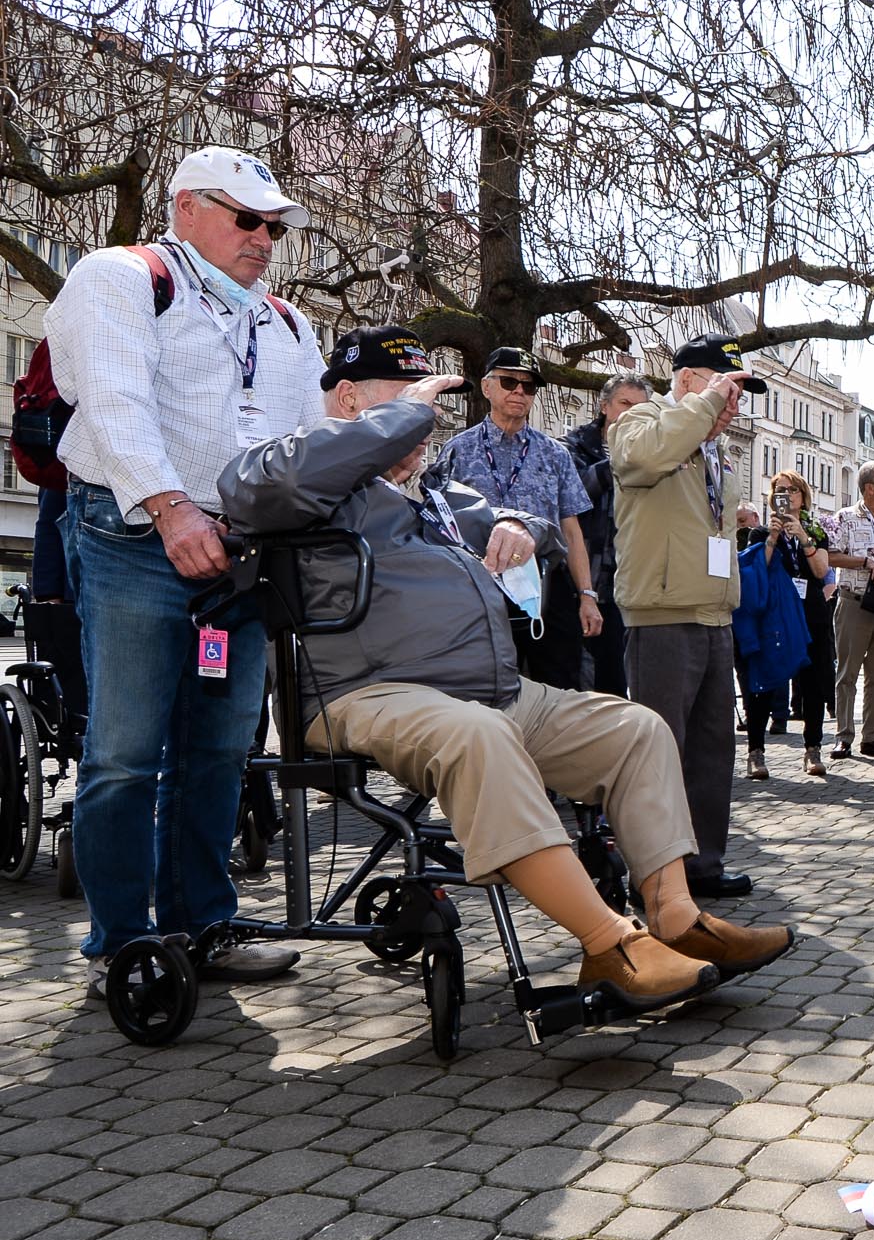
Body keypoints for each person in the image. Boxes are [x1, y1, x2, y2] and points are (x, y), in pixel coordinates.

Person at [218, 327, 793, 1007]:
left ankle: (675, 916)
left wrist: (518, 523)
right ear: (348, 400)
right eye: (411, 401)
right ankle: (610, 943)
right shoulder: (289, 471)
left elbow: (537, 521)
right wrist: (407, 417)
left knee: (636, 727)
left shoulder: (424, 490)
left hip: (484, 690)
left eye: (428, 406)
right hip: (364, 692)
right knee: (480, 735)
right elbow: (249, 488)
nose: (427, 422)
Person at [47, 145, 328, 995]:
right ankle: (124, 943)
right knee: (126, 754)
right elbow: (115, 398)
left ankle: (202, 924)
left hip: (239, 557)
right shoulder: (120, 277)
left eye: (272, 225)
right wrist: (171, 506)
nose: (263, 238)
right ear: (184, 209)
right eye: (246, 219)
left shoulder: (284, 322)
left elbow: (307, 441)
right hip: (135, 535)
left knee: (216, 753)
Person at [613, 333, 764, 897]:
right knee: (660, 754)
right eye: (728, 391)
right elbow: (644, 458)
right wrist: (703, 411)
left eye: (738, 394)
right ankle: (652, 873)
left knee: (709, 753)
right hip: (661, 617)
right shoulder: (640, 422)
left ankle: (702, 866)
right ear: (689, 381)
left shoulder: (713, 446)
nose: (734, 405)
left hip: (713, 616)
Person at [426, 347, 602, 688]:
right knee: (483, 685)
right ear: (487, 387)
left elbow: (572, 530)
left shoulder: (555, 454)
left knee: (561, 687)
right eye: (509, 382)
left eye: (529, 386)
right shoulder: (458, 450)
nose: (519, 392)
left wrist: (587, 596)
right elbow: (441, 526)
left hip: (547, 585)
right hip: (479, 587)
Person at [739, 472, 833, 779]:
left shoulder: (816, 531)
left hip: (810, 613)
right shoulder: (760, 533)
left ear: (803, 497)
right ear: (772, 498)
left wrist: (803, 538)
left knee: (814, 681)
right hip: (776, 615)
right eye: (781, 491)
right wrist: (772, 539)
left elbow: (820, 572)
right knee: (765, 679)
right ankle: (756, 752)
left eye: (793, 490)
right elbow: (757, 571)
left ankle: (813, 749)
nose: (788, 495)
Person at [564, 373, 652, 696]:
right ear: (604, 406)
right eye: (624, 404)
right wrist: (616, 460)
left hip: (632, 581)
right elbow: (573, 495)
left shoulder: (654, 452)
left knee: (616, 685)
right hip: (584, 580)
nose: (631, 413)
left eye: (640, 407)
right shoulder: (575, 445)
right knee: (576, 682)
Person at [825, 462, 874, 760]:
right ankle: (844, 736)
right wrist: (864, 563)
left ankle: (871, 737)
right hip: (854, 603)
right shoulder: (844, 518)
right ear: (870, 488)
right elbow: (830, 556)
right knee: (847, 674)